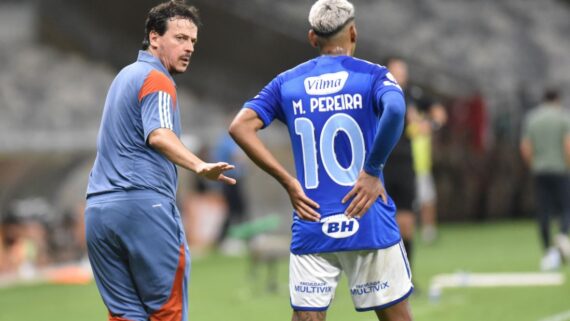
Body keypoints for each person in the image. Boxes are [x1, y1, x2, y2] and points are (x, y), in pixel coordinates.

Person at [229, 1, 413, 320]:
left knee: (307, 317)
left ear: (312, 38)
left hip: (313, 217)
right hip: (365, 216)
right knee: (395, 316)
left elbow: (240, 127)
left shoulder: (287, 82)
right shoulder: (372, 76)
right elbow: (396, 110)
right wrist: (372, 171)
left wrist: (287, 181)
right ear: (353, 31)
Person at [85, 2, 236, 320]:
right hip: (143, 208)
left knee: (124, 314)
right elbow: (159, 134)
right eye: (180, 38)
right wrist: (198, 165)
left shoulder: (124, 77)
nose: (189, 47)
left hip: (99, 213)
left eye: (192, 41)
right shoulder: (157, 79)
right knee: (167, 312)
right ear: (154, 37)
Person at [520, 88, 570, 271]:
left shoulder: (532, 118)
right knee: (565, 208)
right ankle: (562, 236)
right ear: (557, 99)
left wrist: (533, 165)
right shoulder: (563, 117)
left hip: (540, 171)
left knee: (544, 211)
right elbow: (568, 144)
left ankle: (548, 250)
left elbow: (525, 147)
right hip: (560, 170)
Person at [384, 58, 417, 267]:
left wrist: (431, 123)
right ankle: (387, 276)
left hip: (405, 164)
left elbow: (435, 114)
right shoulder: (377, 96)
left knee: (406, 222)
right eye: (397, 71)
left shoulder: (411, 98)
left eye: (403, 72)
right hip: (382, 165)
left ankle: (407, 274)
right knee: (386, 223)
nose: (401, 75)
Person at [407, 97, 447, 244]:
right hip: (408, 167)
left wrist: (430, 124)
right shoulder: (406, 124)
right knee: (409, 204)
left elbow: (440, 117)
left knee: (428, 199)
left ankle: (428, 231)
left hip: (423, 167)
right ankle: (407, 232)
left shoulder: (424, 120)